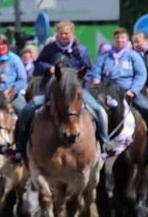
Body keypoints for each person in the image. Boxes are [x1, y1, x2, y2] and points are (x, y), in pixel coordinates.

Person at [11, 19, 112, 162]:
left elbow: (89, 70)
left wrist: (79, 79)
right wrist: (48, 68)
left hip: (75, 92)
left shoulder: (81, 50)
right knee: (27, 110)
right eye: (61, 33)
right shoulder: (49, 49)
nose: (64, 36)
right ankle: (20, 149)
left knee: (99, 110)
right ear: (57, 34)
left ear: (72, 33)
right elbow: (37, 66)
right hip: (51, 91)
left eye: (67, 33)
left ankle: (105, 142)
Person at [90, 27, 148, 154]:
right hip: (107, 90)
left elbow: (141, 75)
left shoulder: (133, 56)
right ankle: (97, 140)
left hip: (127, 90)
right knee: (92, 110)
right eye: (117, 37)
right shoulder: (105, 55)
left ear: (127, 40)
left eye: (122, 37)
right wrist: (96, 79)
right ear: (114, 39)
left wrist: (134, 90)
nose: (119, 40)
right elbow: (96, 69)